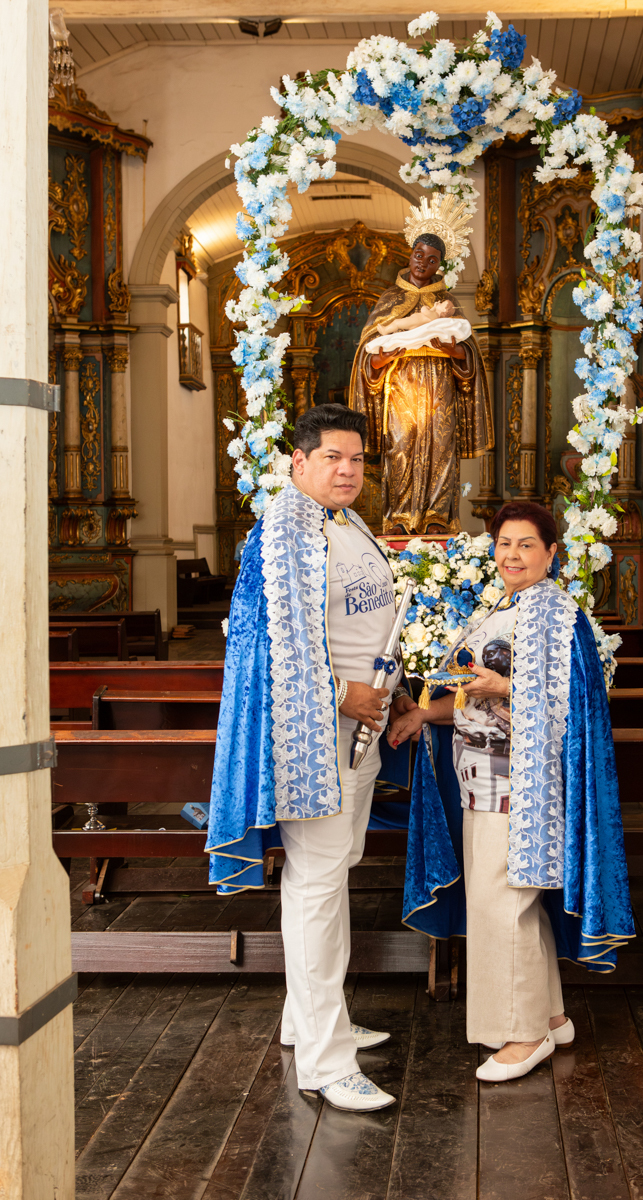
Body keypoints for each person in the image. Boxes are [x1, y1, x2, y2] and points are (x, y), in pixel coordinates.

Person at [205, 404, 417, 1112]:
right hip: (315, 738)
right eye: (332, 457)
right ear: (298, 462)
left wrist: (389, 692)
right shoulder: (283, 533)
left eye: (356, 459)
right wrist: (342, 693)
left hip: (362, 730)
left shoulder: (346, 521)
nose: (348, 470)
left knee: (327, 875)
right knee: (319, 884)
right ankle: (326, 1063)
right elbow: (266, 646)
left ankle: (311, 1023)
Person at [389, 501, 635, 1083]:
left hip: (519, 783)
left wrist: (504, 686)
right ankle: (549, 1016)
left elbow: (570, 707)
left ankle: (524, 1035)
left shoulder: (554, 613)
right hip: (481, 777)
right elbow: (471, 693)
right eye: (504, 543)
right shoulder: (505, 606)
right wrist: (425, 715)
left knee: (501, 903)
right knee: (513, 900)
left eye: (526, 545)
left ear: (551, 553)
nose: (512, 555)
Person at [349, 200, 493, 536]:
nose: (423, 263)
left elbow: (470, 356)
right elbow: (367, 355)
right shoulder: (389, 300)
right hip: (400, 387)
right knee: (399, 447)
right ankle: (400, 518)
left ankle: (436, 518)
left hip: (440, 389)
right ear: (410, 253)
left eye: (432, 260)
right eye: (419, 255)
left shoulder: (448, 302)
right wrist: (381, 360)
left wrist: (454, 351)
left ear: (439, 264)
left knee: (441, 449)